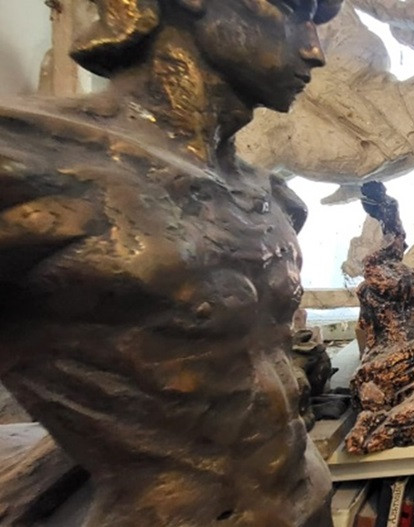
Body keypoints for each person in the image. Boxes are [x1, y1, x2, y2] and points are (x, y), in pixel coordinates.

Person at [0, 0, 342, 525]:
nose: (314, 50)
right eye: (294, 8)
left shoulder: (275, 200)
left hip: (308, 500)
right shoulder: (29, 166)